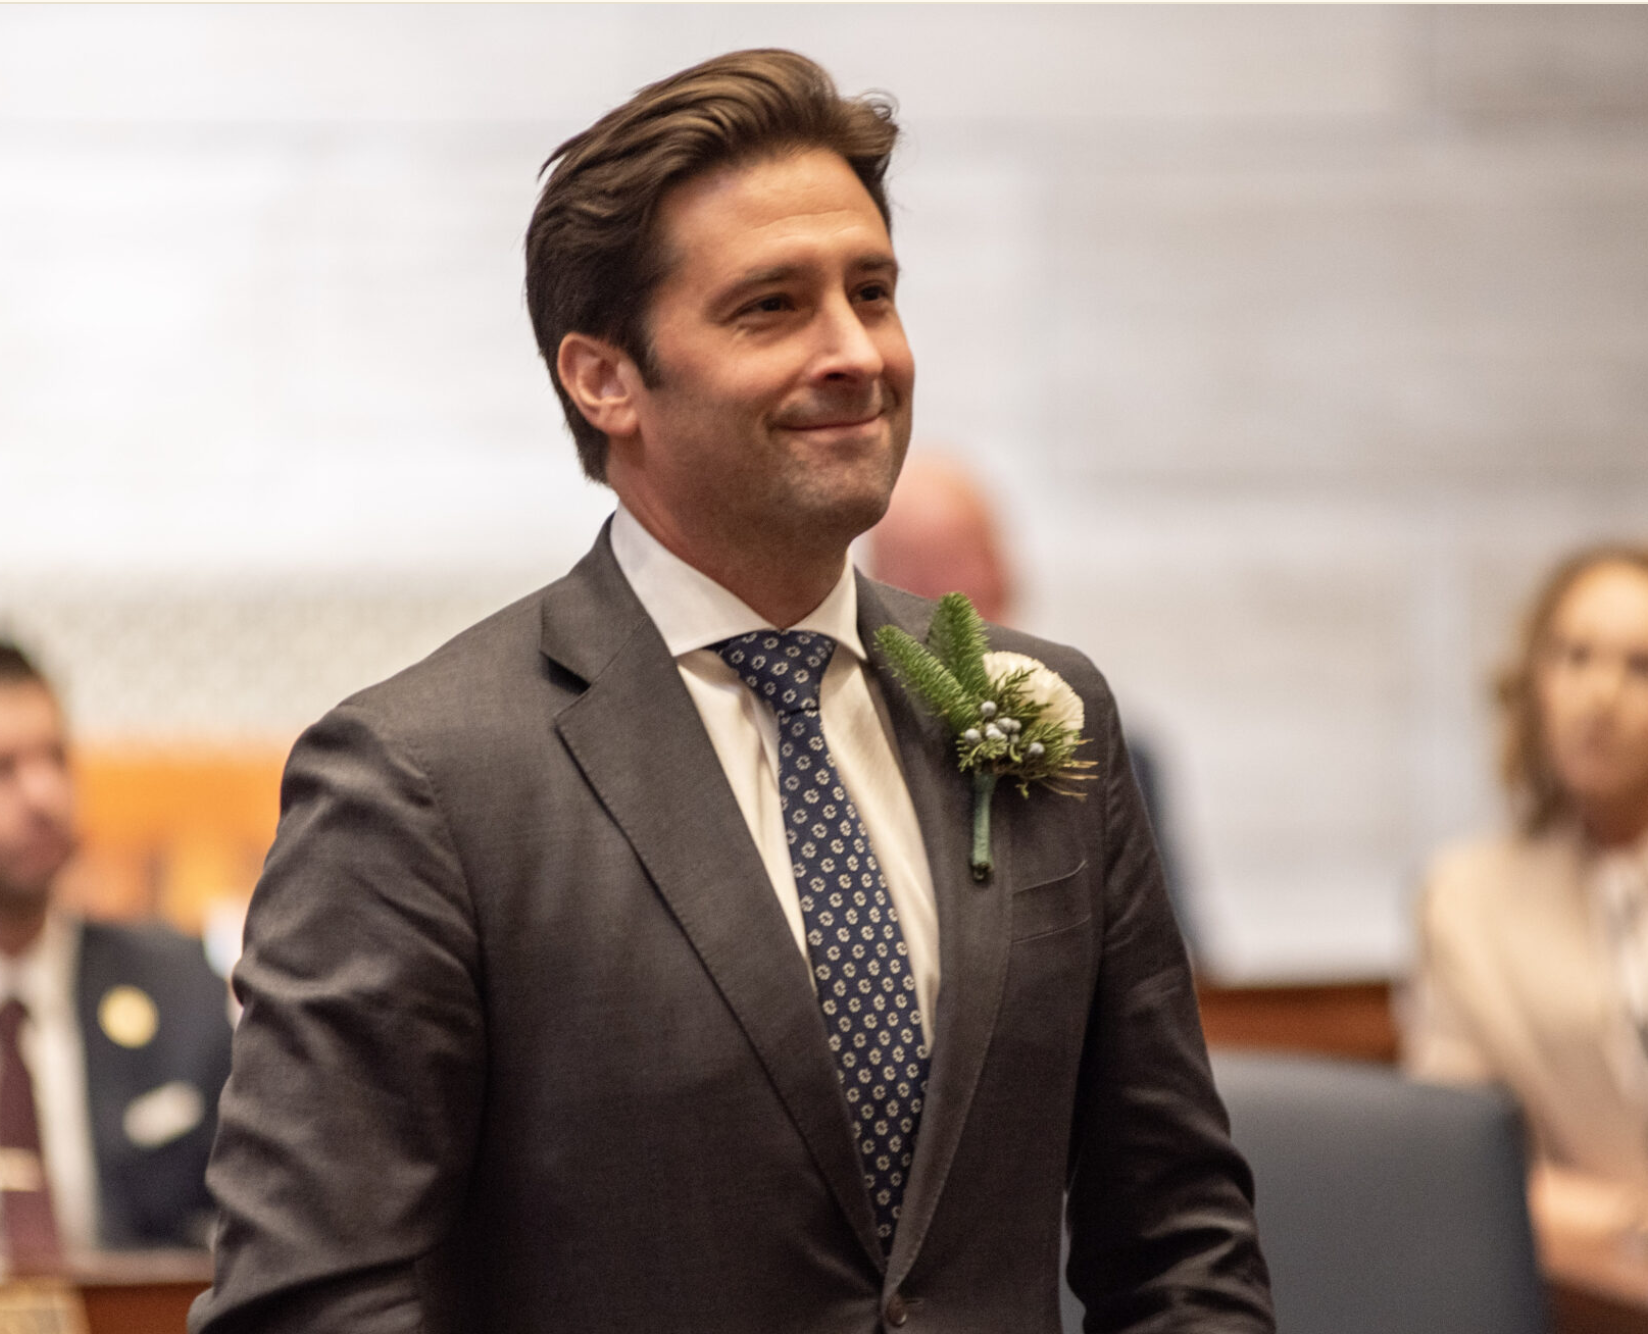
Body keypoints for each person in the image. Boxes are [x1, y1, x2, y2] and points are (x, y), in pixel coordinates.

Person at [191, 49, 1272, 1333]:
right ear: (604, 378)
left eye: (872, 291)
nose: (857, 353)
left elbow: (1179, 1239)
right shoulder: (420, 781)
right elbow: (309, 1302)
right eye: (771, 307)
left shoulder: (1039, 708)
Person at [1403, 545, 1648, 1239]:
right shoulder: (1466, 899)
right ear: (1533, 682)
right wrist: (1626, 1225)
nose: (1601, 695)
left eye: (1641, 667)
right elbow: (1459, 1162)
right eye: (1573, 657)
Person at [866, 453, 1196, 951]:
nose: (943, 598)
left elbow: (1170, 953)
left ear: (1003, 572)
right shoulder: (854, 754)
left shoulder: (1107, 744)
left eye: (958, 563)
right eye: (913, 574)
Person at [0, 640, 232, 1267]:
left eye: (56, 759)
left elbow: (241, 1220)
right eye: (5, 769)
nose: (45, 795)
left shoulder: (179, 985)